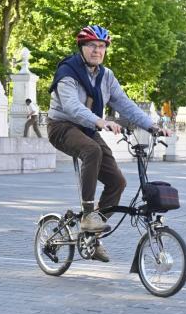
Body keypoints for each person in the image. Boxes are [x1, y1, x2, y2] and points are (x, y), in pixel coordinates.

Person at [46, 25, 164, 262]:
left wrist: (151, 126)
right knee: (91, 150)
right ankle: (88, 214)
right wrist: (100, 122)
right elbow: (71, 107)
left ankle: (91, 235)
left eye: (101, 46)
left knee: (117, 182)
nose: (97, 50)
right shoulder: (68, 72)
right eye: (91, 45)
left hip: (88, 128)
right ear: (82, 48)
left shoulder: (106, 76)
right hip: (62, 127)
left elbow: (125, 104)